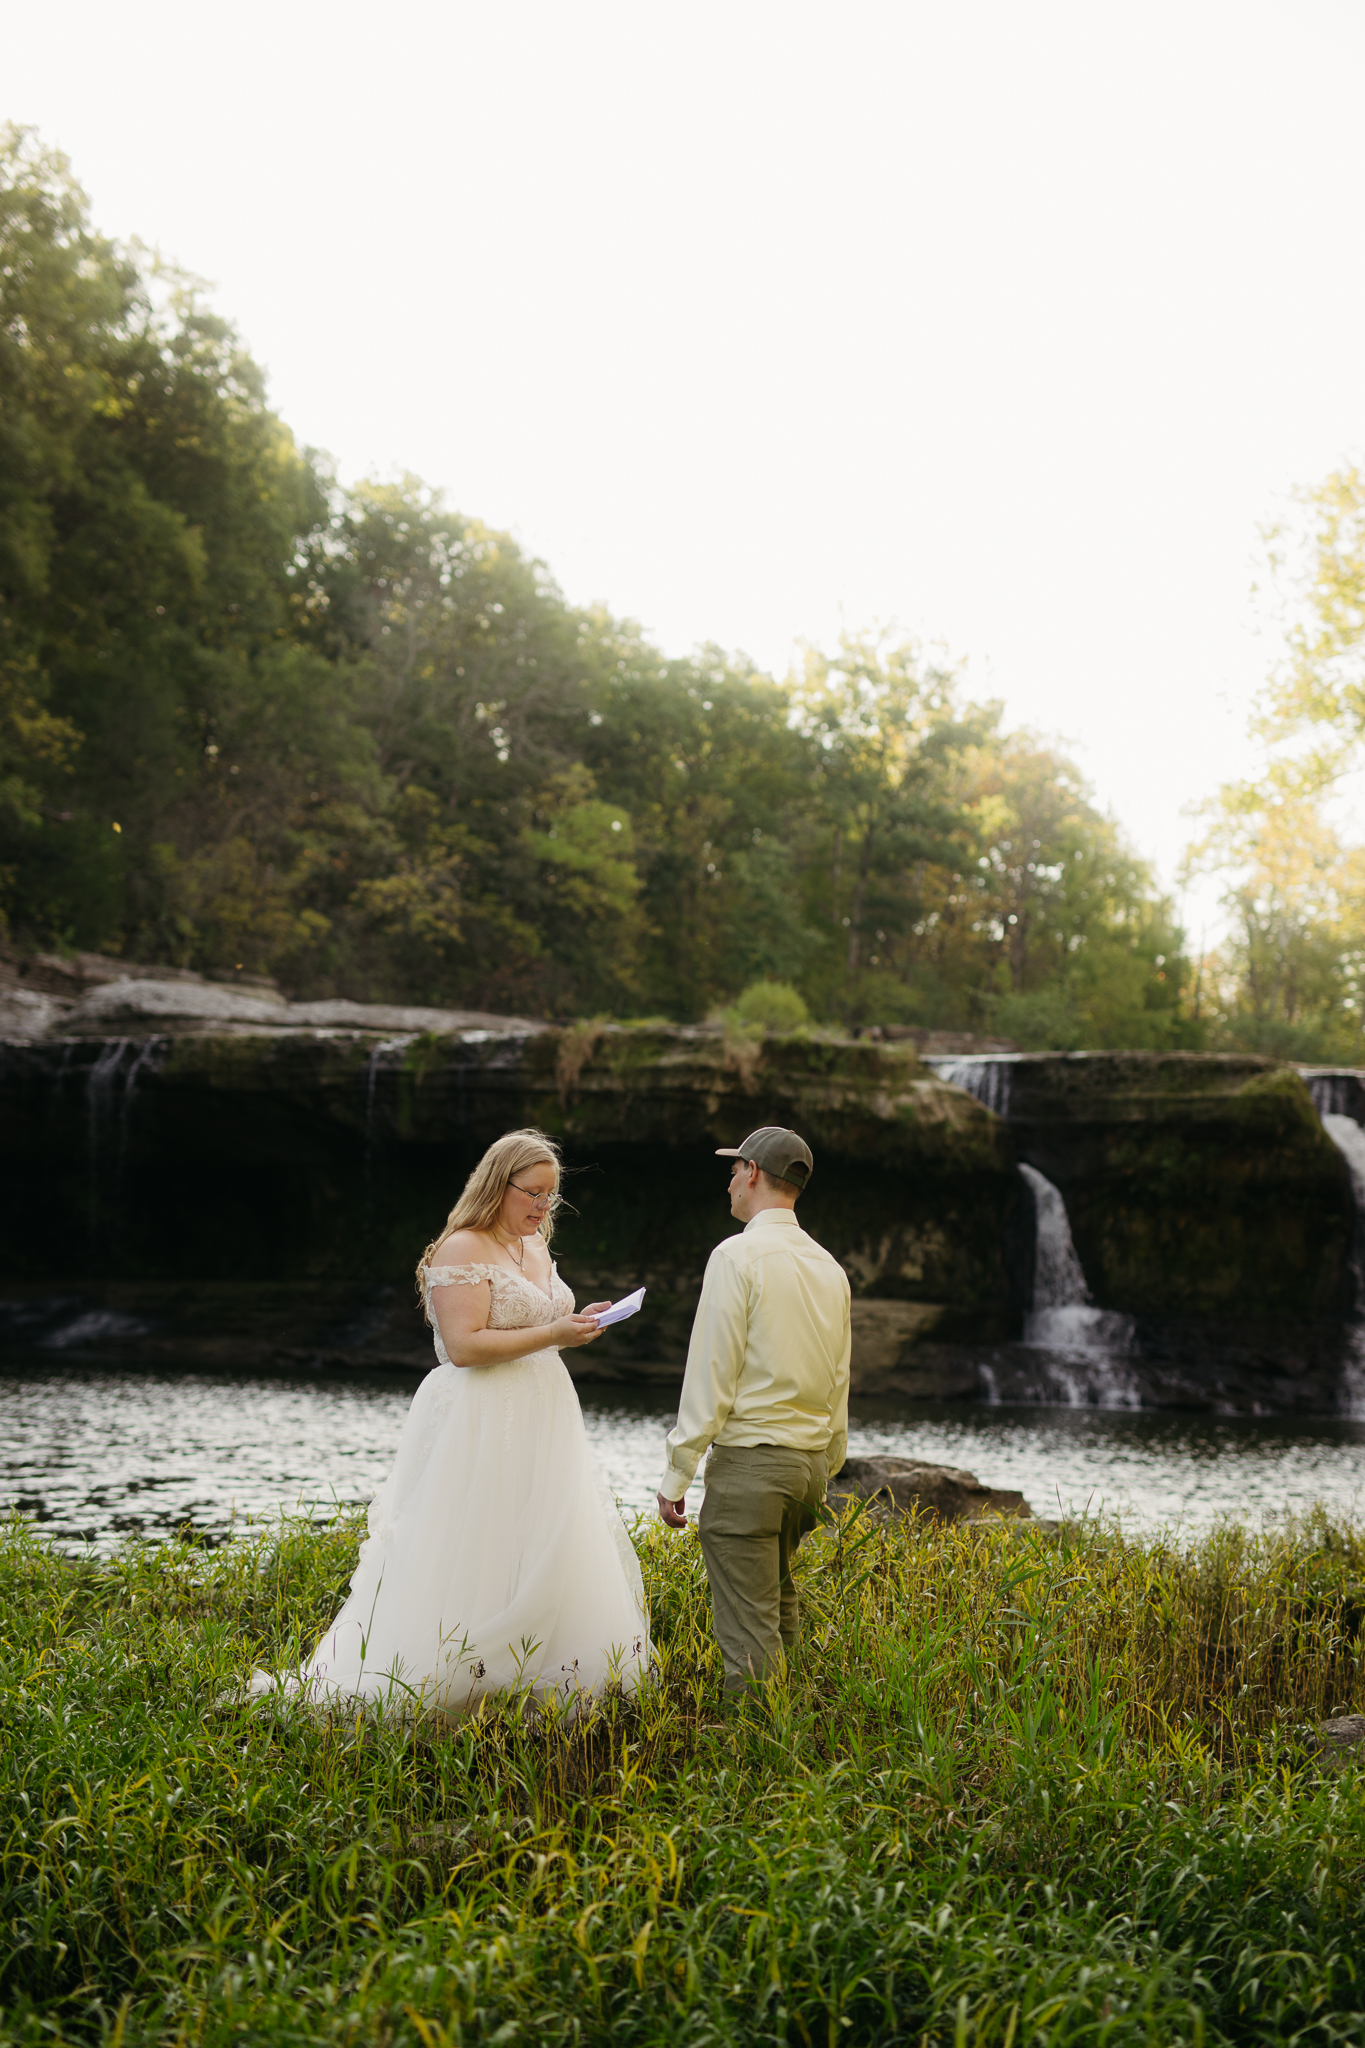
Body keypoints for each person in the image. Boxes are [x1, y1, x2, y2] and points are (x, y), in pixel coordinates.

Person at [251, 1128, 649, 1714]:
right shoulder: (460, 1248)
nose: (543, 1207)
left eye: (551, 1197)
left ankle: (540, 1671)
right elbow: (463, 1346)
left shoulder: (534, 1247)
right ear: (499, 1184)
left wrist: (578, 1321)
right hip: (481, 1416)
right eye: (533, 1194)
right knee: (476, 1535)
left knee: (541, 1533)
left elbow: (540, 1323)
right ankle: (452, 1676)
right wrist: (555, 1333)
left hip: (544, 1410)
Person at [656, 1126, 851, 1696]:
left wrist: (678, 1471)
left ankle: (753, 1763)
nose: (730, 1181)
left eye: (734, 1169)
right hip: (807, 1467)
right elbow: (839, 1379)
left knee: (747, 1633)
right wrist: (826, 1462)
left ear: (754, 1174)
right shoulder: (829, 1267)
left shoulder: (736, 1255)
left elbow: (712, 1373)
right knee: (778, 1613)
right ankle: (795, 1754)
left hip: (752, 1467)